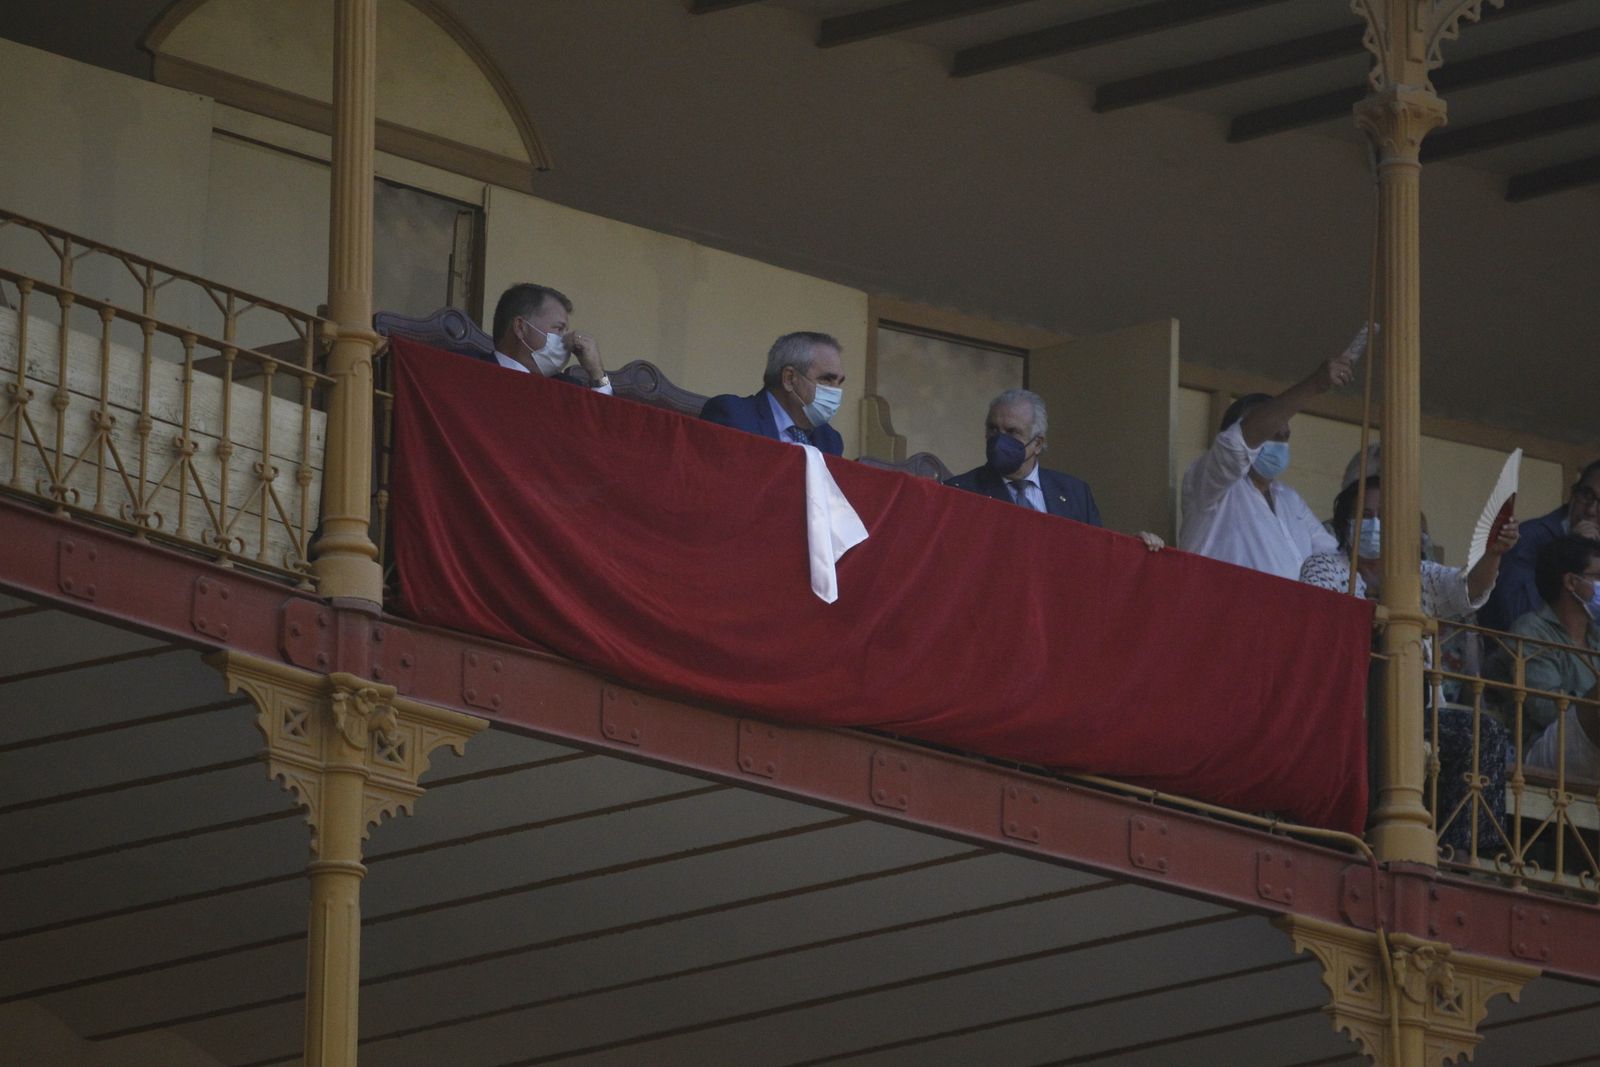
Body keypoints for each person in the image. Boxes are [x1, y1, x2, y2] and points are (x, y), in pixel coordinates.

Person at [1301, 451, 1520, 856]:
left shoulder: (1418, 575)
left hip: (1418, 714)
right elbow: (1333, 631)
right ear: (1345, 523)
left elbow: (1468, 591)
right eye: (1363, 515)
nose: (1373, 524)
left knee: (1483, 732)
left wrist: (1493, 554)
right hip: (1352, 711)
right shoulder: (1323, 567)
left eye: (1383, 514)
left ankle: (1467, 853)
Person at [1179, 344, 1357, 580]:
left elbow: (1332, 562)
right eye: (1270, 434)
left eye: (1285, 436)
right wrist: (1315, 384)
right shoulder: (1210, 484)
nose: (1281, 442)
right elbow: (1235, 446)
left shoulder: (1290, 500)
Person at [1506, 536, 1600, 776]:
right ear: (1571, 581)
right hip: (1546, 752)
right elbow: (1545, 708)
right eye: (1598, 575)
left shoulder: (1597, 633)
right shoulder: (1530, 629)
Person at [944, 389, 1099, 525]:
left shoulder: (1076, 493)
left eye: (1012, 432)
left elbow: (1095, 554)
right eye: (993, 429)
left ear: (1037, 444)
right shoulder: (958, 493)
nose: (999, 440)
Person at [1478, 460, 1600, 632]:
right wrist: (1570, 551)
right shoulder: (1528, 537)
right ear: (1572, 494)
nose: (1591, 510)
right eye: (1587, 495)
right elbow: (1517, 618)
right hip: (1518, 653)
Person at [700, 332, 845, 455]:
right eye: (826, 379)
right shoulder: (733, 415)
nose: (836, 390)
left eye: (839, 382)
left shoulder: (830, 440)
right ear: (789, 378)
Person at [489, 283, 612, 393]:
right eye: (559, 328)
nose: (567, 339)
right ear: (521, 327)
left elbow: (604, 418)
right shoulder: (472, 372)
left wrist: (597, 374)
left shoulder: (569, 388)